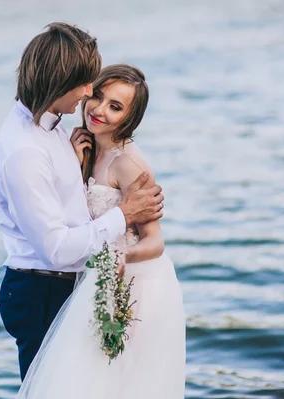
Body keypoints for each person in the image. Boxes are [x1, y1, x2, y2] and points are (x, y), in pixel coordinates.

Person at [0, 23, 164, 381]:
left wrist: (72, 162)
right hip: (41, 291)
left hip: (66, 287)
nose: (87, 94)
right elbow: (55, 247)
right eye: (86, 84)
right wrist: (123, 214)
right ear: (59, 81)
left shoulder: (57, 131)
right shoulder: (26, 152)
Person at [16, 64, 186, 398]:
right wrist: (76, 164)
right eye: (98, 96)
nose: (99, 110)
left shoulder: (129, 166)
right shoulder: (83, 148)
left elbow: (155, 241)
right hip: (94, 277)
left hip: (131, 284)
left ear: (130, 118)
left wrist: (121, 256)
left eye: (116, 107)